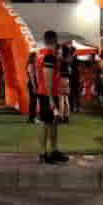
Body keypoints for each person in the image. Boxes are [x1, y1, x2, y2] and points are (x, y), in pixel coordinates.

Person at [35, 30, 68, 164]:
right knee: (45, 123)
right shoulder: (49, 56)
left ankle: (53, 151)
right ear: (55, 40)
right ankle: (43, 153)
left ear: (44, 40)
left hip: (46, 93)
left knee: (52, 123)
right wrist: (51, 99)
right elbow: (47, 79)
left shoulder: (41, 54)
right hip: (47, 94)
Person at [59, 45, 73, 124]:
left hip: (62, 79)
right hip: (67, 80)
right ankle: (66, 116)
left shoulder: (61, 59)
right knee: (66, 98)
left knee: (61, 99)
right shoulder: (69, 59)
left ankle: (61, 116)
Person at [26, 51, 38, 124]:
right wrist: (34, 86)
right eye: (36, 56)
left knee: (34, 101)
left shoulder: (33, 65)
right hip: (32, 84)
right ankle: (32, 118)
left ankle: (32, 117)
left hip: (33, 84)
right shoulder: (31, 65)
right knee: (33, 101)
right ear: (32, 57)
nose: (37, 58)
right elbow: (32, 77)